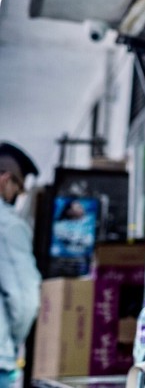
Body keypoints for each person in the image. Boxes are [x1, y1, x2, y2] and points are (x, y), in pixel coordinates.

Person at [0, 142, 42, 388]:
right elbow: (25, 300)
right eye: (17, 189)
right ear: (5, 179)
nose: (15, 197)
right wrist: (10, 341)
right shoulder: (8, 226)